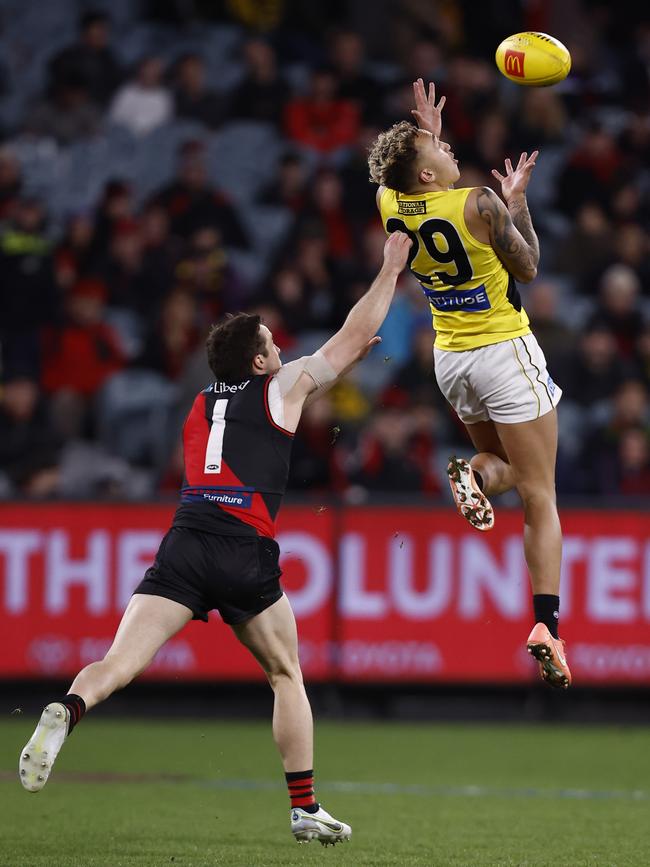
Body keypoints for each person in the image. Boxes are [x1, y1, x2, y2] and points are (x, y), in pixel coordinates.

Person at [18, 231, 413, 845]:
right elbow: (352, 337)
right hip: (244, 548)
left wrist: (328, 370)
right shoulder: (280, 386)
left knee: (119, 663)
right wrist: (390, 268)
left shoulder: (200, 403)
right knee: (286, 674)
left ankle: (66, 711)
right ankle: (305, 807)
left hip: (187, 539)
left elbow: (280, 405)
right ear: (258, 363)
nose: (281, 347)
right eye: (272, 344)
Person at [368, 79, 570, 690]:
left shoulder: (388, 203)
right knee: (541, 497)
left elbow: (399, 177)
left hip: (451, 360)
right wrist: (517, 202)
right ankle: (546, 625)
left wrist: (421, 137)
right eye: (440, 150)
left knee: (504, 470)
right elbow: (529, 266)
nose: (450, 150)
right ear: (428, 175)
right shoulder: (480, 204)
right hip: (504, 349)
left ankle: (475, 475)